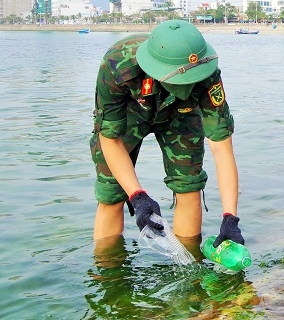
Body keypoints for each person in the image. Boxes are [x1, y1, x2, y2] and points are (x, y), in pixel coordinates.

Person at [91, 19, 244, 248]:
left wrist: (230, 217)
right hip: (130, 112)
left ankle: (189, 266)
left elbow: (222, 148)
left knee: (189, 187)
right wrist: (138, 196)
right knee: (111, 195)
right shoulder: (118, 64)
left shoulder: (207, 75)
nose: (184, 84)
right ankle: (108, 270)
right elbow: (110, 139)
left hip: (182, 113)